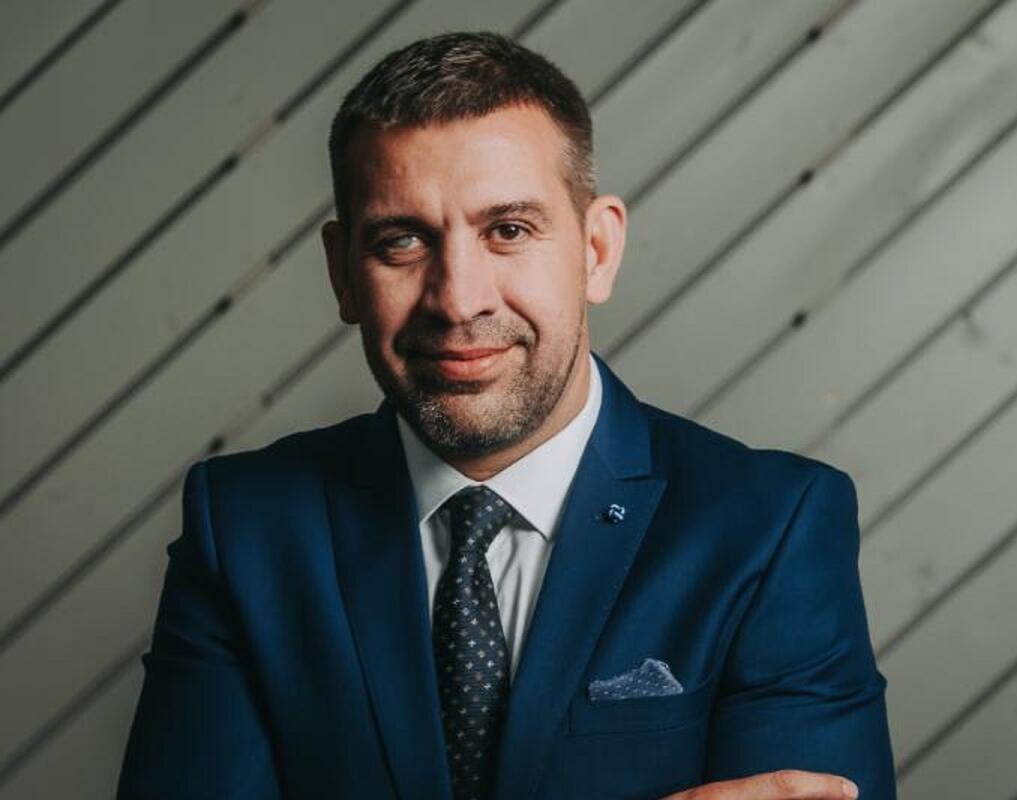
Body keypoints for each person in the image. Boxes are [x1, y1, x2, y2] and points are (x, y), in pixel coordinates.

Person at [117, 31, 896, 800]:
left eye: (509, 231)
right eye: (402, 241)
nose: (459, 300)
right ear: (343, 274)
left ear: (596, 250)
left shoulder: (770, 529)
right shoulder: (245, 529)